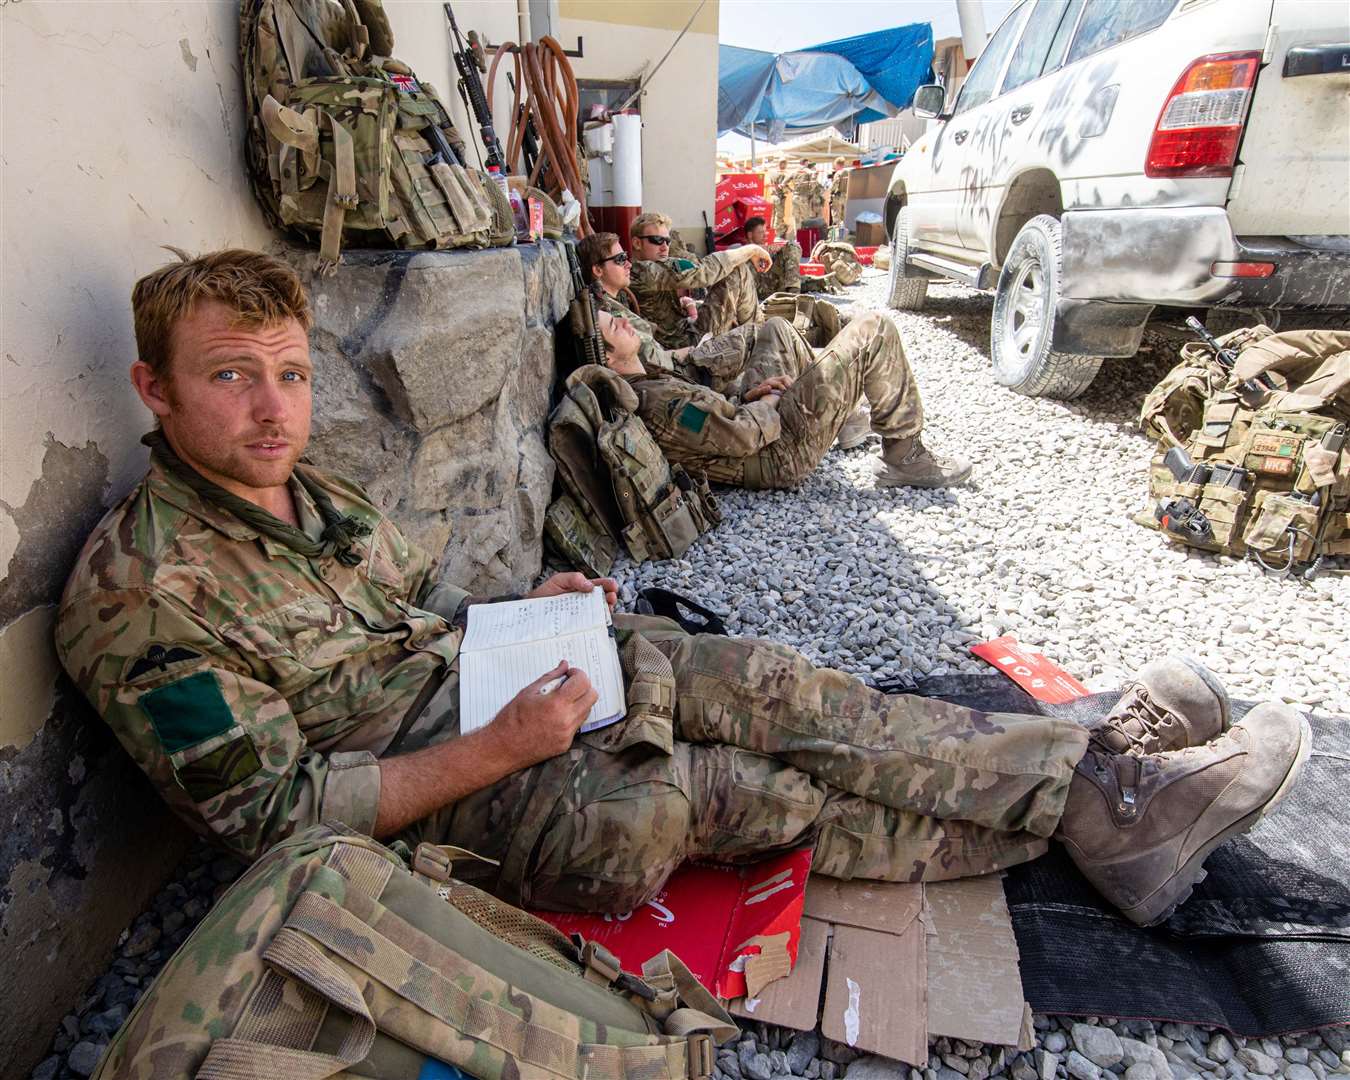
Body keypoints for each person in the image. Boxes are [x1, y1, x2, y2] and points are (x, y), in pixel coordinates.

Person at [57, 248, 1310, 931]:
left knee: (755, 676)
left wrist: (518, 612)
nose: (275, 407)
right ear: (154, 391)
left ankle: (1098, 790)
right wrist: (500, 745)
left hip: (479, 696)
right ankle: (1105, 793)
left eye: (289, 372)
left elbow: (406, 629)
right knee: (743, 790)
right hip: (431, 800)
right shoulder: (141, 590)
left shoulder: (309, 492)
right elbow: (274, 820)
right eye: (231, 377)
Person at [592, 307, 972, 490]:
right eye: (615, 326)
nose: (626, 322)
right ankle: (904, 456)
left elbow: (715, 417)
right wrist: (770, 401)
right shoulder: (660, 404)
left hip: (762, 423)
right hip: (778, 452)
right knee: (875, 330)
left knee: (776, 328)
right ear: (608, 357)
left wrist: (749, 395)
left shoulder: (652, 381)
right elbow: (741, 437)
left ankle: (839, 410)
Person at [627, 211, 771, 350]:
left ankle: (756, 336)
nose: (665, 247)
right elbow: (703, 273)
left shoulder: (649, 268)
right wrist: (751, 250)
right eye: (657, 240)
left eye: (667, 241)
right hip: (682, 344)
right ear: (637, 243)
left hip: (685, 333)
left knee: (733, 268)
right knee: (736, 270)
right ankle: (759, 341)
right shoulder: (643, 270)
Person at [743, 216, 801, 301]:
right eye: (760, 232)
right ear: (750, 235)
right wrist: (766, 249)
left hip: (773, 285)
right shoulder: (740, 249)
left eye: (765, 232)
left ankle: (793, 292)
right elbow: (747, 250)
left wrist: (780, 250)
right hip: (756, 290)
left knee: (792, 246)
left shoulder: (766, 249)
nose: (764, 235)